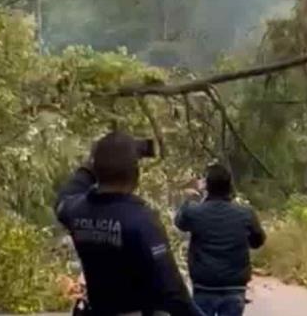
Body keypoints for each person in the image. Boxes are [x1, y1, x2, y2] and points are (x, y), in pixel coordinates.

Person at [55, 130, 202, 316]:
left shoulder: (76, 211)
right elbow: (173, 291)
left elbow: (64, 197)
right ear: (134, 173)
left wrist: (91, 164)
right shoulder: (140, 220)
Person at [175, 163, 266, 316]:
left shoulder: (195, 212)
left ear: (207, 186)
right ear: (230, 186)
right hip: (234, 288)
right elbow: (258, 241)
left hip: (204, 286)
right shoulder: (245, 214)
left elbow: (180, 223)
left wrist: (192, 196)